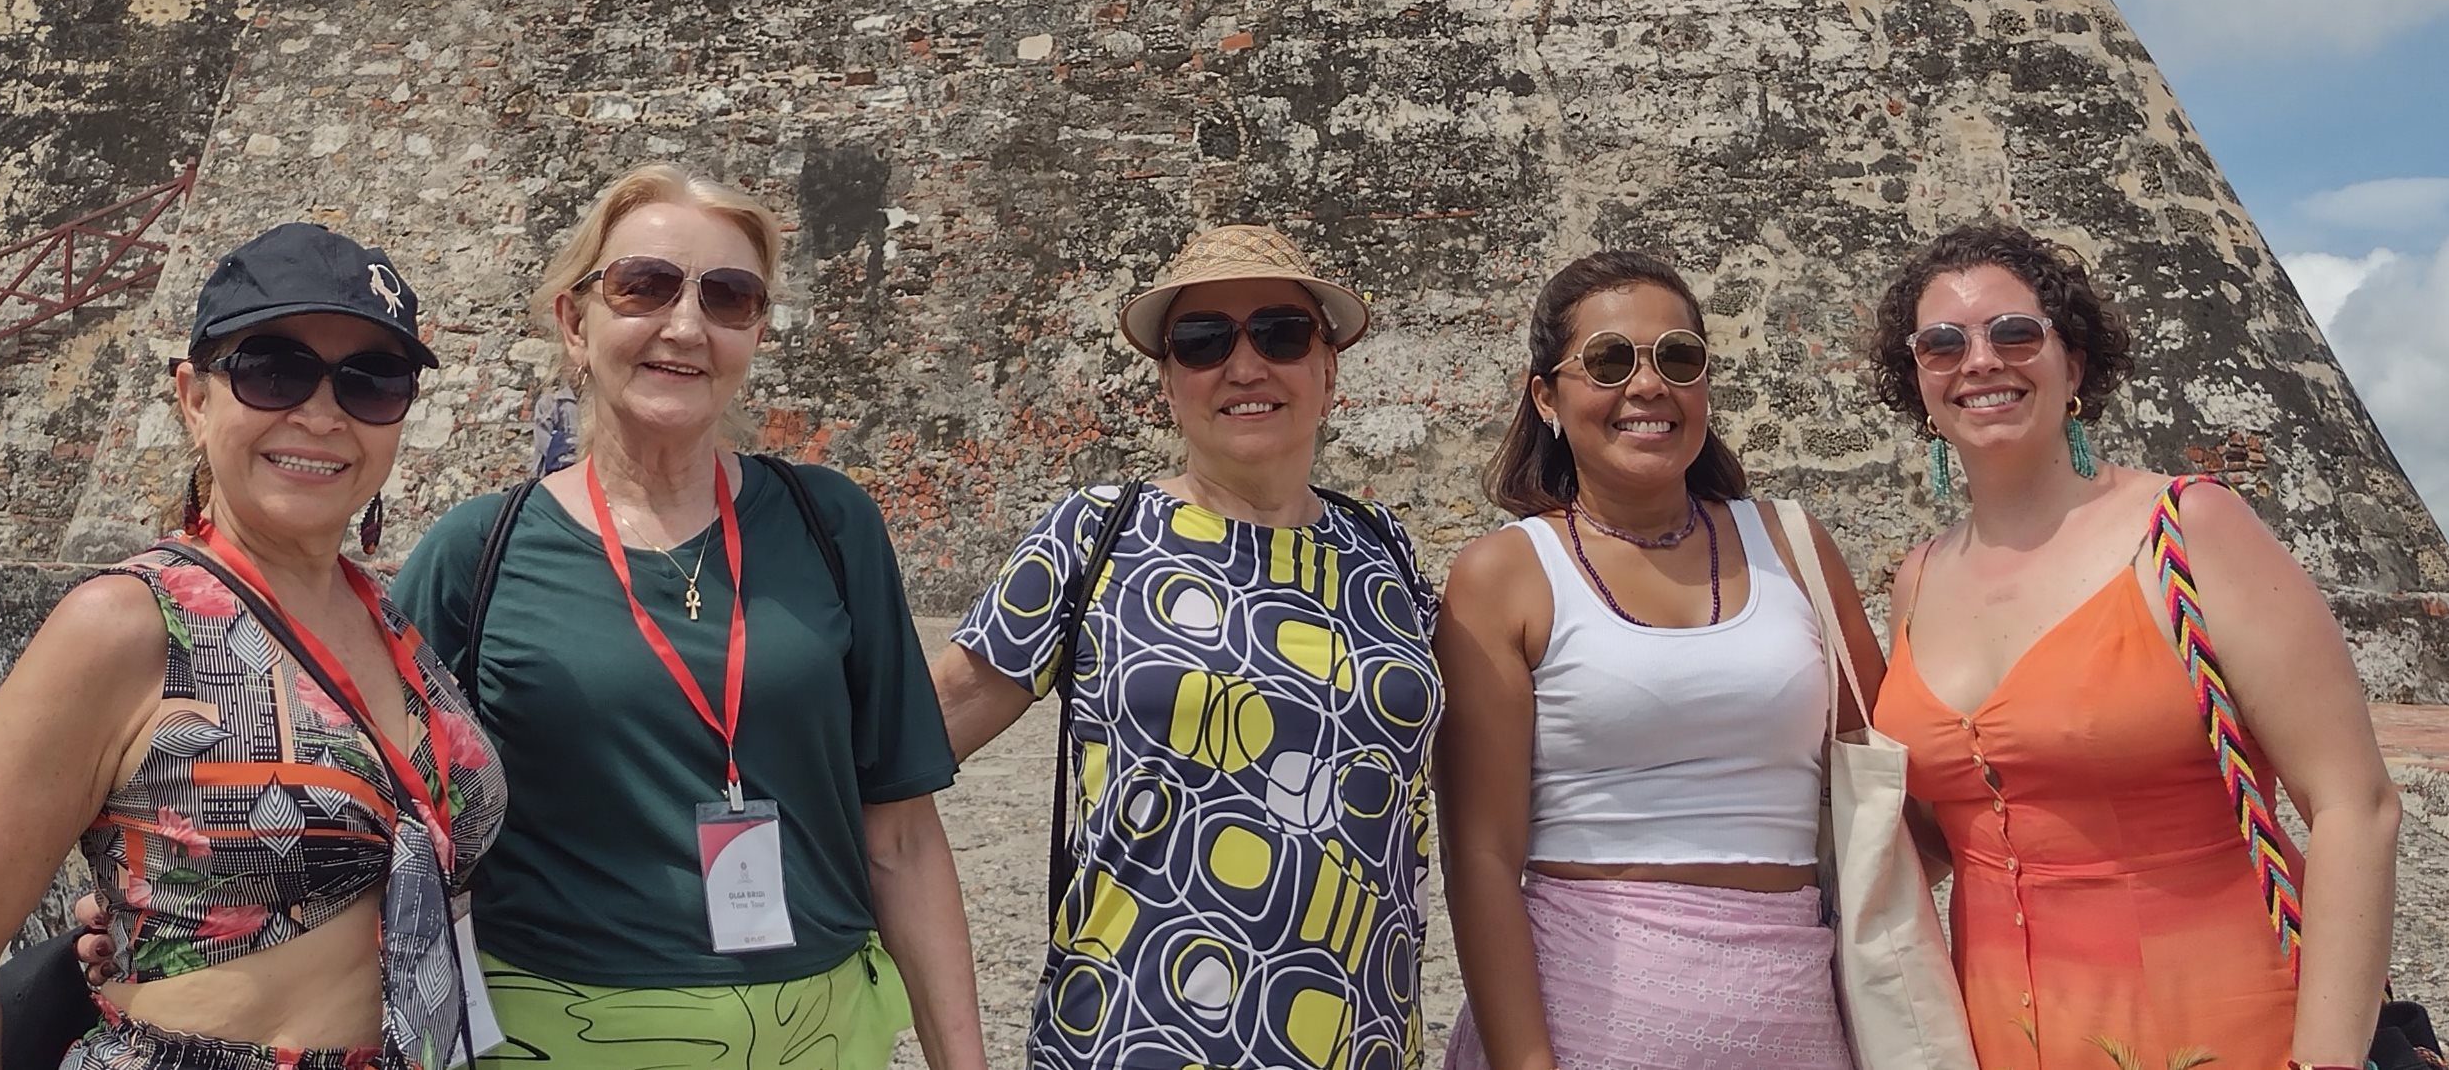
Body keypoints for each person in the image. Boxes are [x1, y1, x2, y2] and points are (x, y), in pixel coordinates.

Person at [392, 163, 985, 1070]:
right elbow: (354, 806)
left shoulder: (830, 524)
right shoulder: (482, 549)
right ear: (574, 322)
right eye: (644, 286)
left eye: (729, 297)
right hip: (564, 1035)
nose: (685, 325)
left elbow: (900, 835)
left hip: (819, 1037)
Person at [1867, 221, 2400, 1070]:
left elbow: (2354, 805)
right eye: (1942, 343)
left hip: (2221, 1023)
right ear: (1918, 383)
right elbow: (1945, 823)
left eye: (2015, 331)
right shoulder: (1919, 579)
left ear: (2072, 363)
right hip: (1995, 1034)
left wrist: (2326, 1059)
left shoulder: (2187, 529)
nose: (1980, 360)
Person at [0, 223, 506, 1070]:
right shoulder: (127, 625)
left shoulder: (389, 625)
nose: (323, 413)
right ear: (193, 397)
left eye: (371, 381)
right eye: (273, 368)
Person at [932, 224, 1442, 1070]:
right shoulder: (1096, 533)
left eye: (1281, 333)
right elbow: (911, 738)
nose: (1246, 367)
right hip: (1132, 1036)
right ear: (1168, 381)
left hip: (1360, 1043)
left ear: (1328, 368)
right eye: (1204, 343)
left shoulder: (1382, 550)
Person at [1435, 248, 1879, 1070]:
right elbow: (1482, 853)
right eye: (1609, 360)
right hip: (1582, 1029)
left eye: (1678, 356)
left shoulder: (1794, 547)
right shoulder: (1504, 575)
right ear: (1547, 397)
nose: (1648, 385)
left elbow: (1888, 782)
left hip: (1797, 1025)